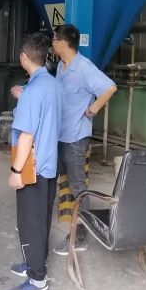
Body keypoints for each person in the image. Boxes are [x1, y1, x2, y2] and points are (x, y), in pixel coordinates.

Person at [5, 32, 62, 290]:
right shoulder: (52, 84)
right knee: (42, 218)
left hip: (32, 167)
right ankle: (35, 262)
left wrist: (16, 172)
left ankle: (37, 282)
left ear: (23, 57)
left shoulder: (32, 92)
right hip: (50, 163)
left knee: (30, 222)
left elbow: (27, 135)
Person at [51, 24, 117, 256]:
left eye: (54, 39)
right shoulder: (61, 67)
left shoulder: (84, 68)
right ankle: (66, 223)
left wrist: (93, 109)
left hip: (76, 138)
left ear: (62, 43)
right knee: (58, 180)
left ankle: (81, 235)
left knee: (78, 187)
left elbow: (110, 87)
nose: (52, 43)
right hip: (60, 134)